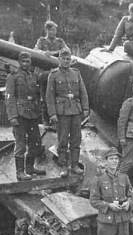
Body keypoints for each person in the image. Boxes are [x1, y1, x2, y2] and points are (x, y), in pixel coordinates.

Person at [46, 48, 90, 177]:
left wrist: (85, 108)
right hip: (62, 112)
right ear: (59, 59)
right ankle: (63, 166)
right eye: (64, 59)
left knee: (76, 139)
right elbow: (49, 96)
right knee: (63, 140)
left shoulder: (76, 73)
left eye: (68, 59)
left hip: (76, 111)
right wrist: (52, 113)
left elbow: (83, 92)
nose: (66, 61)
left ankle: (74, 165)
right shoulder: (53, 75)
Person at [5, 52, 46, 181]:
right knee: (21, 145)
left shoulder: (34, 76)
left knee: (36, 143)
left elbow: (39, 93)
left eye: (28, 61)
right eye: (23, 61)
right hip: (20, 114)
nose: (25, 64)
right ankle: (20, 172)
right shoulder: (13, 76)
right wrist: (12, 116)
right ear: (19, 62)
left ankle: (30, 168)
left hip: (33, 114)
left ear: (31, 62)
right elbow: (9, 97)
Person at [33, 20, 70, 124]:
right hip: (44, 74)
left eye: (55, 30)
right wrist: (44, 53)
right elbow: (35, 50)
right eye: (52, 30)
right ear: (47, 30)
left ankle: (59, 121)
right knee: (45, 98)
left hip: (58, 73)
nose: (54, 32)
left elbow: (67, 51)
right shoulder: (41, 41)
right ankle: (46, 121)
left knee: (59, 97)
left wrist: (53, 53)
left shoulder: (60, 41)